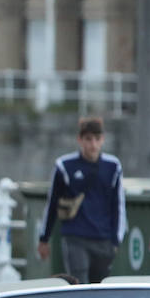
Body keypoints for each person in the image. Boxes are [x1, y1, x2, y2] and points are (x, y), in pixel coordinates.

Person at [37, 117, 126, 283]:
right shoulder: (64, 166)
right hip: (75, 237)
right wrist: (44, 239)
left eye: (97, 139)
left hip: (103, 238)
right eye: (88, 139)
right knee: (80, 286)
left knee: (100, 289)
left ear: (103, 140)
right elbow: (52, 203)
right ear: (80, 140)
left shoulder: (113, 166)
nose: (93, 145)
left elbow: (119, 205)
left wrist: (115, 240)